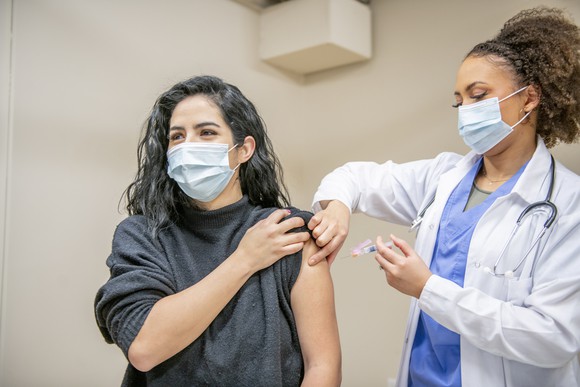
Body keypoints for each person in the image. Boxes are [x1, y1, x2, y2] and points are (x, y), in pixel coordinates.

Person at [307, 7, 580, 387]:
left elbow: (553, 337)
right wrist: (337, 208)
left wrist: (427, 288)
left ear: (529, 98)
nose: (466, 111)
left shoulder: (568, 204)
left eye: (479, 96)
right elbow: (354, 177)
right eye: (459, 102)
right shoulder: (445, 176)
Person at [95, 75, 341, 386]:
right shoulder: (142, 236)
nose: (188, 146)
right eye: (177, 136)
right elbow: (144, 348)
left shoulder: (288, 231)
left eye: (207, 133)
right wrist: (245, 259)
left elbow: (323, 366)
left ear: (244, 149)